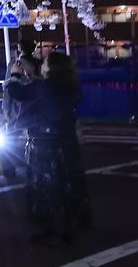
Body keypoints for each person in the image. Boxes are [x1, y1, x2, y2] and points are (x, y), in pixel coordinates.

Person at [7, 51, 92, 243]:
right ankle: (74, 221)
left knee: (47, 185)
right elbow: (47, 97)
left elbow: (16, 92)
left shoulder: (41, 87)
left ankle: (53, 228)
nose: (42, 64)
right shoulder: (70, 87)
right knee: (68, 181)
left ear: (51, 68)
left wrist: (15, 75)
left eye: (45, 62)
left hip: (44, 142)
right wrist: (34, 78)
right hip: (67, 141)